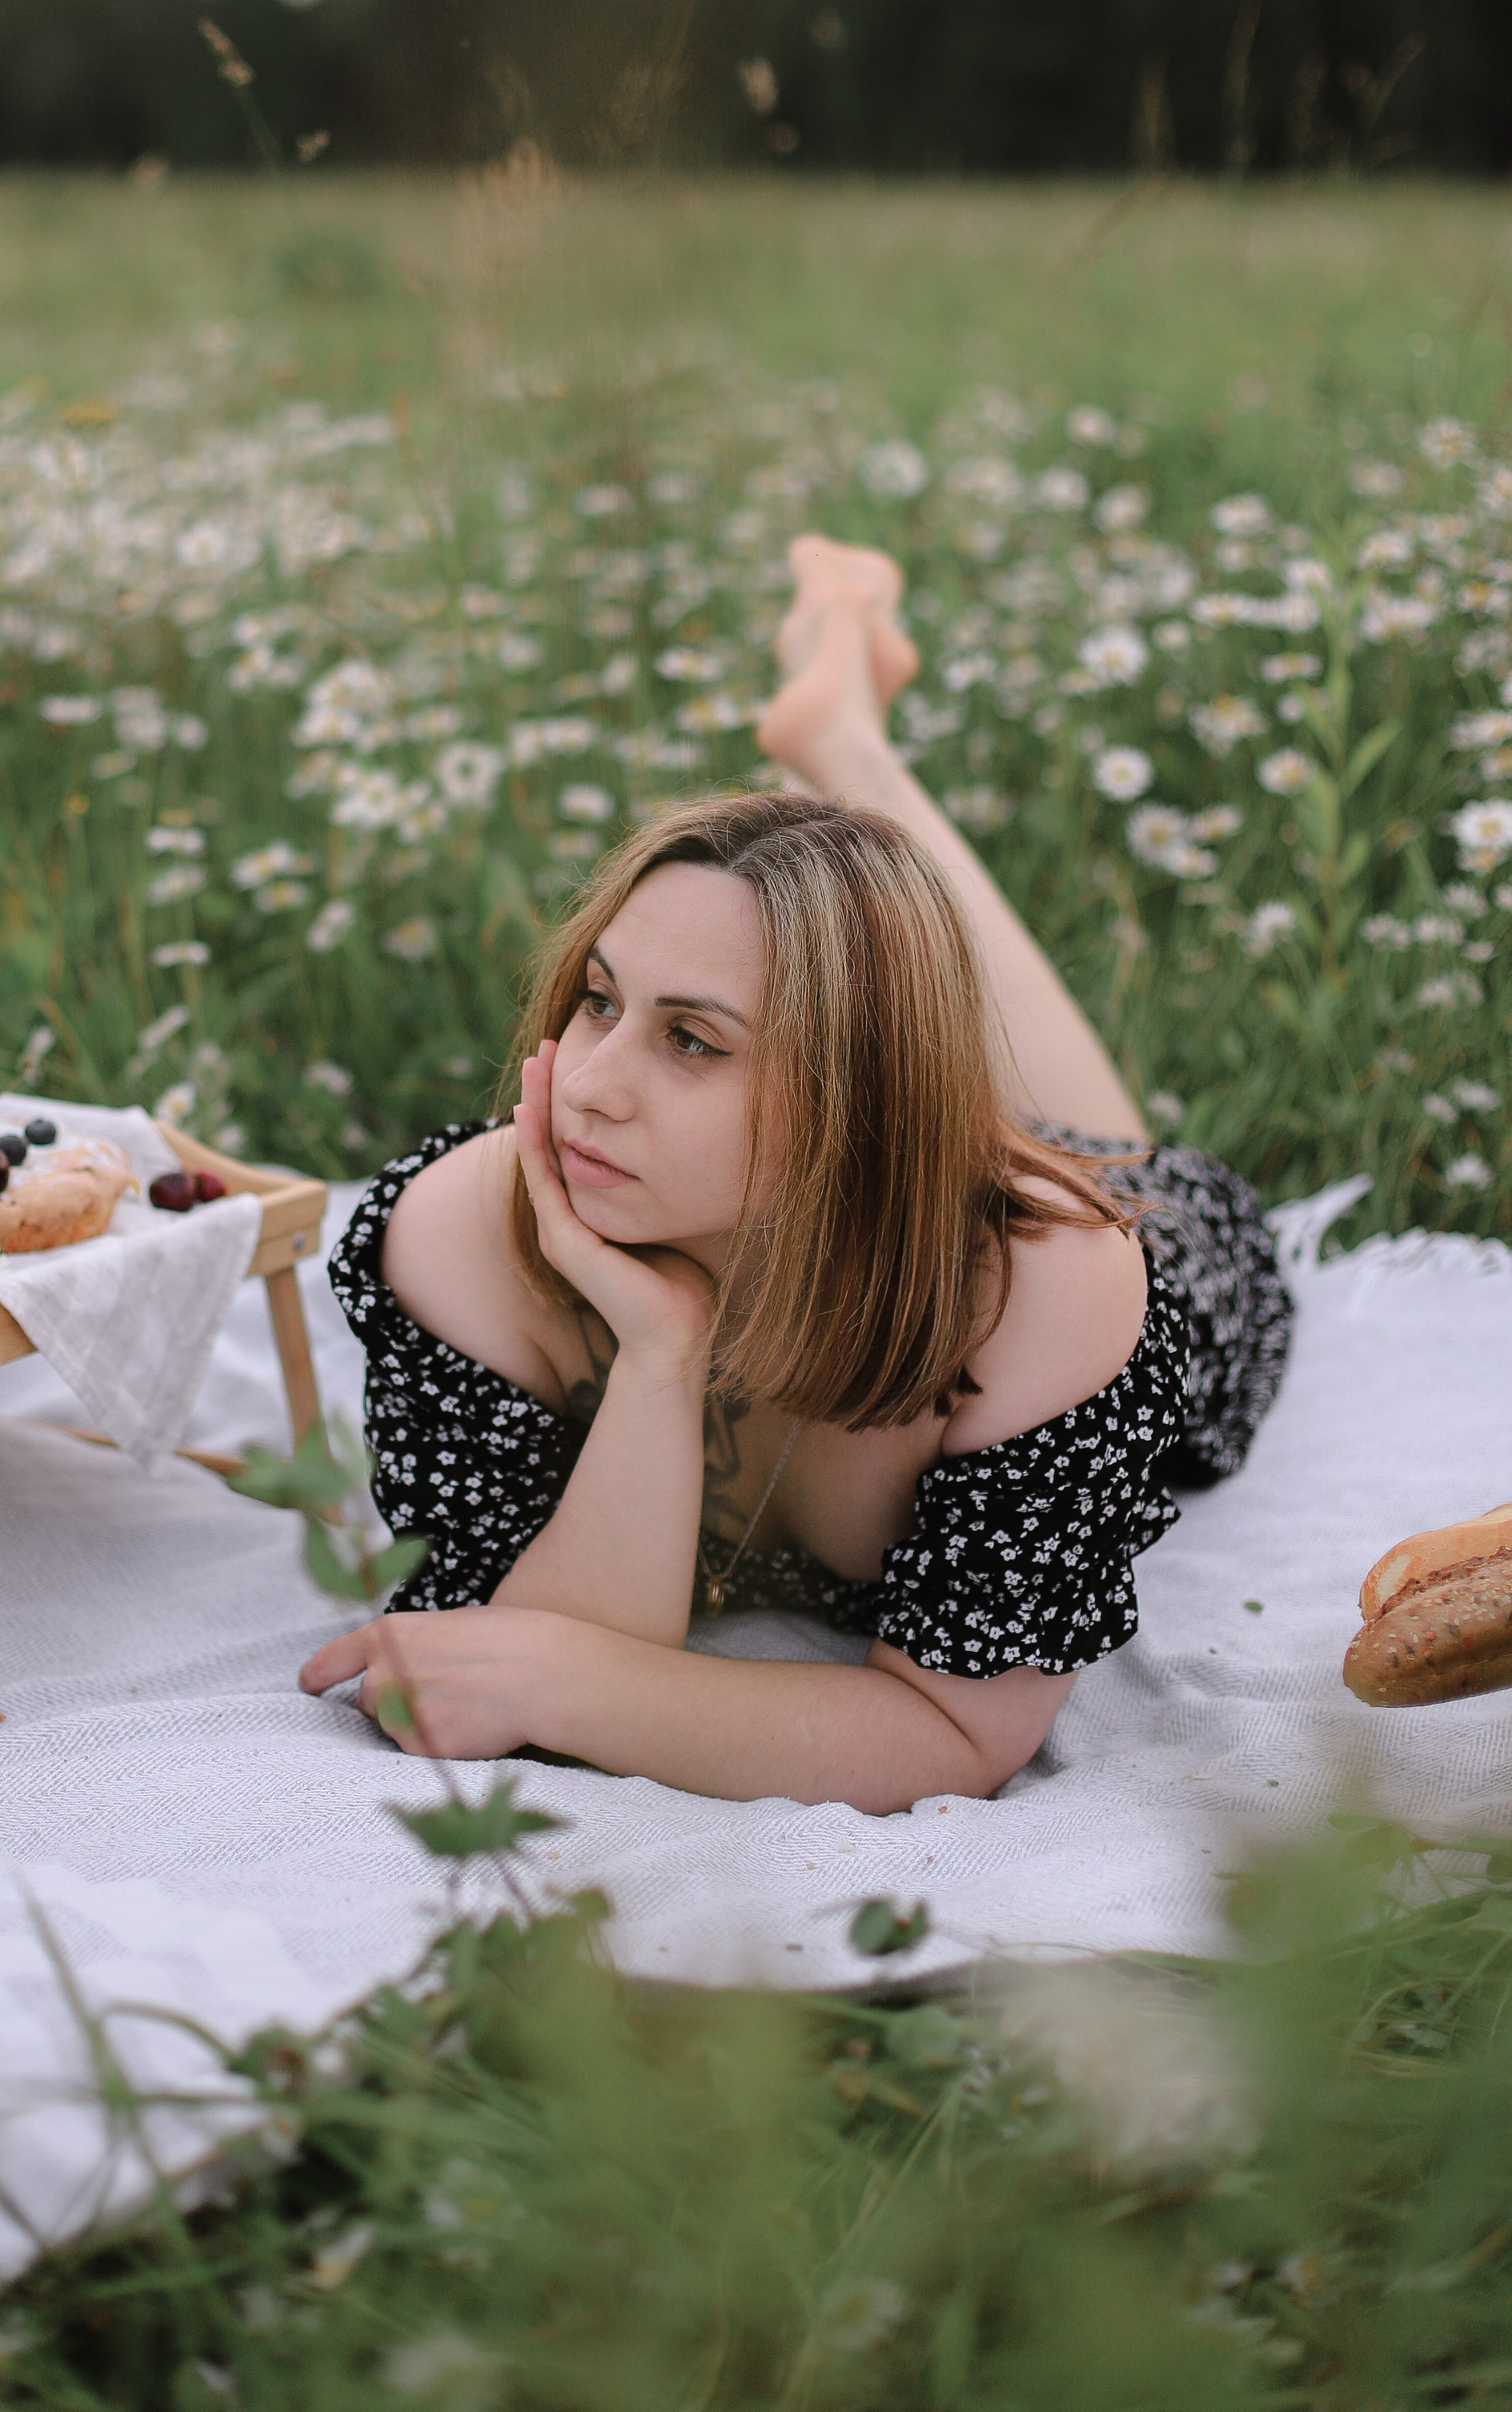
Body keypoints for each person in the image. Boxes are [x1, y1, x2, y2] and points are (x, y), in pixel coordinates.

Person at [301, 538, 1293, 1809]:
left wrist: (574, 1686)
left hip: (1068, 1230)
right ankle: (842, 751)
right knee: (885, 985)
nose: (591, 1082)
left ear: (851, 1100)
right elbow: (507, 1638)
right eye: (600, 1000)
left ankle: (857, 761)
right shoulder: (464, 1233)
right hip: (888, 1152)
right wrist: (659, 1349)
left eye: (692, 1041)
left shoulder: (1047, 1286)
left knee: (1104, 1160)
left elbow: (955, 1731)